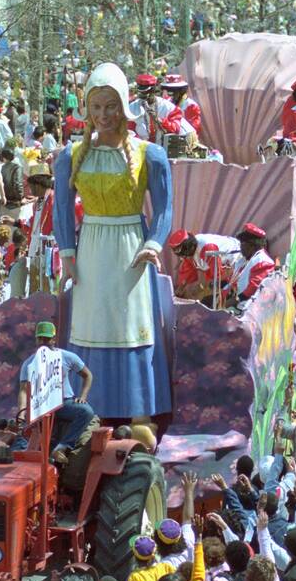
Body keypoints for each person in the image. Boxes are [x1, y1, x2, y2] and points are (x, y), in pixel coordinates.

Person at [53, 61, 173, 433]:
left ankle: (140, 411)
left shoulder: (148, 154)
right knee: (92, 324)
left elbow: (165, 207)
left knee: (130, 324)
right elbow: (61, 210)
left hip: (130, 247)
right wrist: (68, 254)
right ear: (86, 108)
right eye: (96, 107)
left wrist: (154, 242)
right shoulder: (70, 156)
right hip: (91, 248)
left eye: (110, 106)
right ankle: (93, 408)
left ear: (124, 105)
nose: (103, 115)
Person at [18, 321, 96, 463]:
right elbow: (23, 391)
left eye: (47, 338)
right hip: (40, 407)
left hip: (64, 403)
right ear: (36, 339)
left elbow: (88, 375)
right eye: (40, 338)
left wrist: (83, 396)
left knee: (86, 411)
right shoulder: (29, 363)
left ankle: (62, 446)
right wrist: (22, 412)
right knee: (21, 437)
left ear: (54, 339)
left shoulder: (66, 356)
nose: (43, 342)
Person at [169, 228, 242, 302]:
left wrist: (200, 289)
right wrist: (181, 288)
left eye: (185, 255)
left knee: (215, 296)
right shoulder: (190, 247)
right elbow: (188, 269)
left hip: (236, 259)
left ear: (190, 247)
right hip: (219, 263)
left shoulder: (208, 248)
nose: (184, 258)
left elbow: (218, 275)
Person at [130, 73, 190, 144]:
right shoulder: (132, 108)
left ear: (154, 90)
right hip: (140, 148)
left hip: (165, 149)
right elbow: (129, 132)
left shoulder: (169, 107)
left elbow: (176, 129)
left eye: (147, 92)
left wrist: (159, 120)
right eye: (142, 93)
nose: (144, 96)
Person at [226, 223, 275, 308]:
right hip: (240, 307)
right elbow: (234, 281)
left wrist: (236, 299)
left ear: (251, 245)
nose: (240, 248)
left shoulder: (263, 261)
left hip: (252, 310)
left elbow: (255, 287)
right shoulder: (244, 260)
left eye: (242, 244)